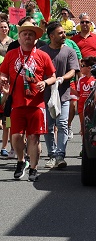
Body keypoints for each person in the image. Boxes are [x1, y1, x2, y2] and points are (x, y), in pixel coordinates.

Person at [0, 20, 57, 182]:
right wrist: (3, 79)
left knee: (34, 137)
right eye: (24, 34)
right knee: (16, 136)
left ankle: (33, 168)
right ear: (19, 37)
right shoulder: (11, 54)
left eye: (31, 34)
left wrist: (45, 83)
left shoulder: (42, 55)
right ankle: (20, 160)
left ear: (36, 38)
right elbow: (3, 73)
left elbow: (53, 76)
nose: (27, 37)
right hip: (16, 103)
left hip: (36, 104)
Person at [38, 21, 79, 169]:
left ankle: (60, 155)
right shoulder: (42, 52)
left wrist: (62, 78)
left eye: (64, 32)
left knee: (62, 125)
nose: (64, 35)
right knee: (48, 127)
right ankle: (52, 155)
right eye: (60, 33)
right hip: (45, 96)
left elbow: (73, 71)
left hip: (64, 95)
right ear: (51, 36)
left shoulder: (69, 51)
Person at [76, 57, 96, 141]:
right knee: (83, 126)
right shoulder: (81, 79)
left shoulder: (94, 79)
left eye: (82, 66)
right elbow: (78, 93)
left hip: (92, 107)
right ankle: (84, 146)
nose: (80, 68)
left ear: (89, 68)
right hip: (82, 107)